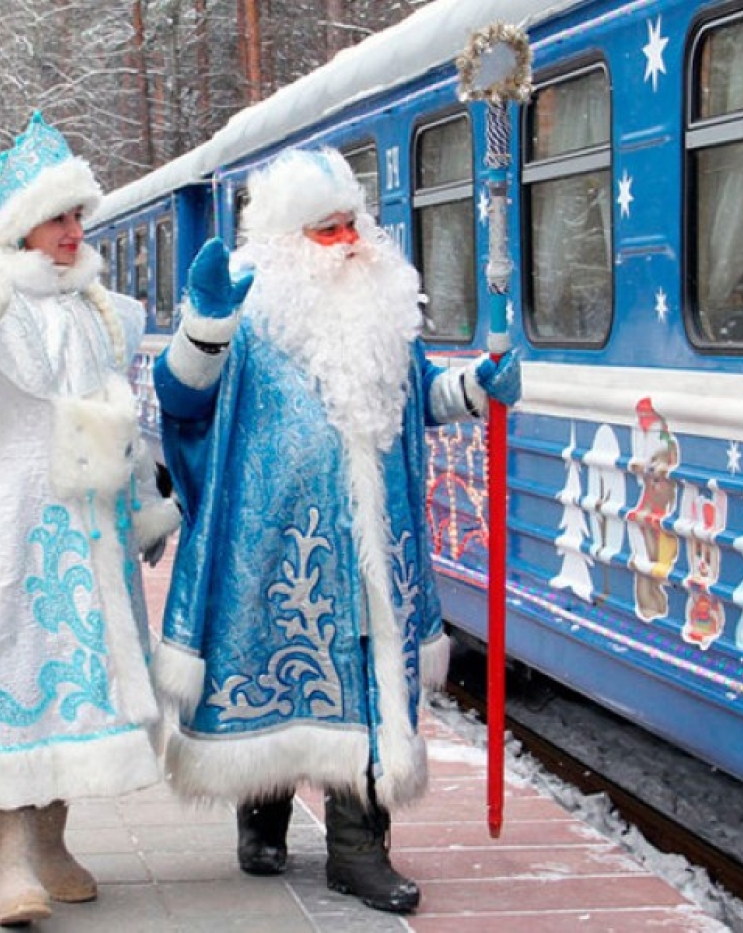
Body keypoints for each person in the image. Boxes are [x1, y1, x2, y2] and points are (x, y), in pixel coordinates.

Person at [150, 147, 522, 914]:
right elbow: (182, 406)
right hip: (273, 543)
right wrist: (202, 328)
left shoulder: (381, 306)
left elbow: (418, 396)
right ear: (288, 241)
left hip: (372, 542)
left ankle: (359, 847)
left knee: (361, 674)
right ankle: (262, 809)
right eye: (327, 229)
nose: (350, 240)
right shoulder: (248, 312)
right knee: (277, 672)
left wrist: (474, 390)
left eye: (352, 222)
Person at [0, 111, 179, 928]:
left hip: (90, 533)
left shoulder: (107, 311)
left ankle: (52, 842)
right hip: (9, 525)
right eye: (59, 216)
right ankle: (8, 859)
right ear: (22, 226)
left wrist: (144, 505)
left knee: (78, 686)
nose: (73, 230)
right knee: (9, 671)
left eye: (77, 216)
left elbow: (116, 413)